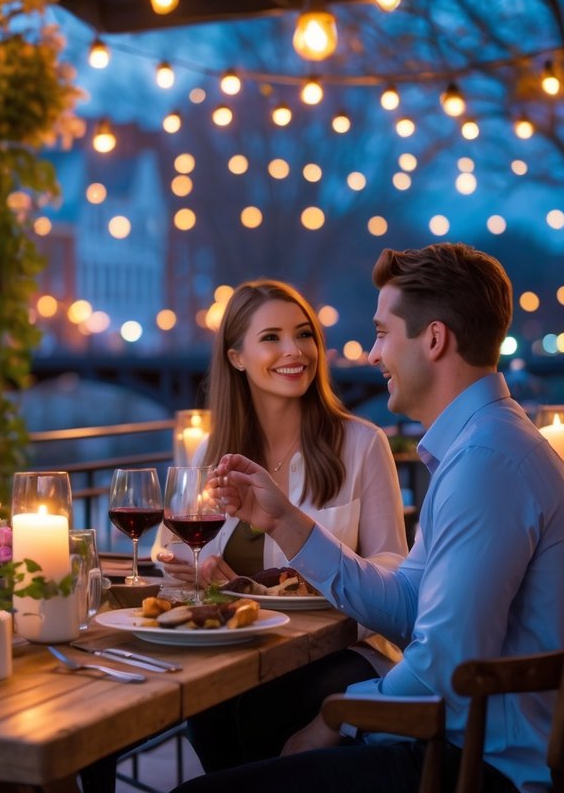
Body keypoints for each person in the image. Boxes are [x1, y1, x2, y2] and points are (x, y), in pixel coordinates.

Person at [173, 243, 564, 793]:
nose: (373, 354)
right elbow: (408, 605)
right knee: (243, 726)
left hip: (480, 766)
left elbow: (444, 665)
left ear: (433, 339)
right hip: (482, 742)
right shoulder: (485, 446)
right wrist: (283, 520)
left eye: (382, 333)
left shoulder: (486, 464)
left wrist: (334, 718)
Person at [148, 278, 408, 770]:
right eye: (271, 337)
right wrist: (187, 565)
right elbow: (168, 552)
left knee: (261, 711)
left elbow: (393, 566)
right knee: (210, 712)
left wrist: (322, 564)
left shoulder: (362, 444)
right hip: (244, 648)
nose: (295, 350)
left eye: (304, 334)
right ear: (236, 357)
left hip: (341, 652)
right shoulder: (208, 454)